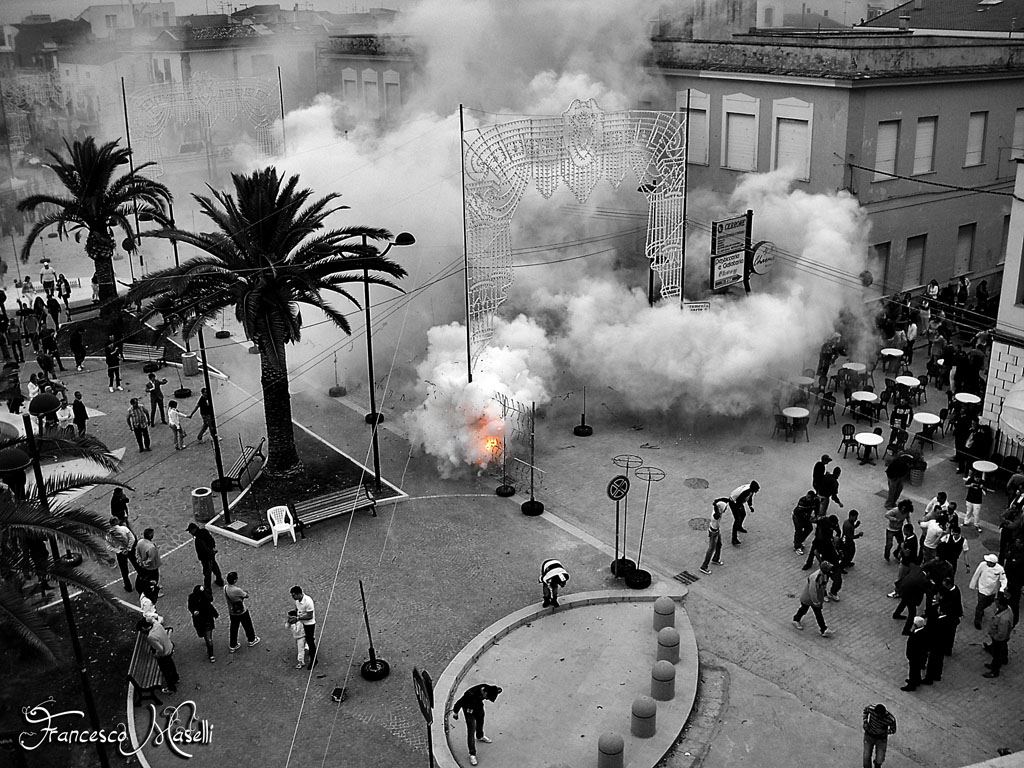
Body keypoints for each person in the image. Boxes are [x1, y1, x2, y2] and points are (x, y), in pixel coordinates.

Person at [923, 576, 963, 684]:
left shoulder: (953, 594)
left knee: (950, 635)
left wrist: (940, 605)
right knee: (948, 638)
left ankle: (948, 649)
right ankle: (947, 649)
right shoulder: (951, 590)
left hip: (949, 622)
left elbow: (952, 606)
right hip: (948, 622)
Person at [451, 683, 502, 766]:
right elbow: (460, 702)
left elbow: (496, 690)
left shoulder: (487, 688)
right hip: (469, 710)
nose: (486, 699)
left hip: (478, 708)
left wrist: (498, 690)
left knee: (480, 721)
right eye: (487, 697)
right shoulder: (469, 694)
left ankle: (480, 736)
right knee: (471, 730)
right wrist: (455, 712)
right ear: (485, 693)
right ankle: (472, 754)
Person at [792, 561, 834, 637]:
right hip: (809, 598)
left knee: (805, 609)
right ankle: (823, 629)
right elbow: (813, 591)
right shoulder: (815, 578)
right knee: (814, 612)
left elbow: (822, 586)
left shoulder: (823, 575)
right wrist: (816, 602)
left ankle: (796, 619)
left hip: (815, 597)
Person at [223, 571, 261, 653]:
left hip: (232, 611)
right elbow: (245, 595)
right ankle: (251, 639)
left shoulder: (226, 588)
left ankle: (233, 644)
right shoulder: (237, 590)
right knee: (247, 625)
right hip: (242, 611)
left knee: (234, 628)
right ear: (235, 580)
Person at [138, 617, 178, 694]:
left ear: (143, 628)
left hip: (164, 654)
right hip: (169, 647)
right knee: (171, 664)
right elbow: (151, 619)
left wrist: (156, 655)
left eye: (141, 630)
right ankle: (176, 678)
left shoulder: (151, 637)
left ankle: (171, 687)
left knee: (166, 671)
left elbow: (160, 649)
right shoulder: (156, 625)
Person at [969, 553, 1008, 630]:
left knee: (989, 602)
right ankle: (977, 621)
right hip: (982, 590)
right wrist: (972, 585)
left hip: (992, 591)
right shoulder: (982, 565)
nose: (987, 562)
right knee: (980, 606)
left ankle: (982, 609)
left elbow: (1003, 579)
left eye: (988, 562)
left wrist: (1002, 589)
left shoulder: (1000, 569)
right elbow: (976, 574)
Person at [893, 561, 930, 636]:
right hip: (910, 595)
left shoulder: (916, 569)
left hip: (902, 589)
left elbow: (911, 564)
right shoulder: (923, 580)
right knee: (912, 613)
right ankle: (906, 630)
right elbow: (927, 590)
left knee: (903, 602)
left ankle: (896, 614)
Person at [983, 596, 1014, 678]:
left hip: (999, 638)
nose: (996, 603)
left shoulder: (1003, 619)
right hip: (1003, 637)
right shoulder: (1007, 609)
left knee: (996, 654)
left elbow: (1002, 632)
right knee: (1003, 648)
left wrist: (995, 638)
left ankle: (994, 671)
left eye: (997, 602)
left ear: (1001, 605)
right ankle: (1004, 659)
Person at [187, 522, 223, 591]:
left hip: (206, 558)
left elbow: (204, 549)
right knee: (214, 567)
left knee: (207, 572)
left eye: (190, 531)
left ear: (194, 530)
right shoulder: (204, 531)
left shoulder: (198, 539)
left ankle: (208, 588)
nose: (190, 533)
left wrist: (210, 552)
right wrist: (213, 549)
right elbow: (211, 540)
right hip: (211, 554)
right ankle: (219, 580)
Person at [106, 517, 138, 592]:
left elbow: (109, 547)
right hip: (129, 551)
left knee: (124, 570)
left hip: (120, 553)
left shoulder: (108, 535)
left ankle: (128, 586)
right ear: (116, 522)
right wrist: (128, 548)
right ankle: (142, 580)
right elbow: (132, 539)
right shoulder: (124, 529)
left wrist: (118, 551)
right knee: (136, 564)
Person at [289, 586, 317, 668]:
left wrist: (297, 618)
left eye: (294, 595)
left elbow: (310, 616)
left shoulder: (308, 601)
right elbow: (297, 610)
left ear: (299, 594)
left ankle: (314, 660)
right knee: (305, 639)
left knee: (310, 640)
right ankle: (307, 650)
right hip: (301, 623)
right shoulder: (297, 601)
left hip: (309, 624)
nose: (293, 597)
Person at [188, 585, 219, 662]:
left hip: (207, 619)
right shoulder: (192, 597)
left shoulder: (206, 597)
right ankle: (205, 638)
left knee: (209, 638)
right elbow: (190, 606)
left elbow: (210, 600)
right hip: (198, 620)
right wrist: (193, 611)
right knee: (201, 634)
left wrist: (204, 591)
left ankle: (211, 654)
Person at [862, 703, 897, 768]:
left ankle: (877, 766)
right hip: (869, 735)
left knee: (880, 758)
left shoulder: (890, 719)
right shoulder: (871, 709)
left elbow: (893, 730)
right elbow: (865, 711)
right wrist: (865, 722)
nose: (877, 717)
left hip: (881, 739)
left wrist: (885, 732)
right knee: (866, 756)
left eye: (879, 716)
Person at [901, 616, 930, 692]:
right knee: (916, 670)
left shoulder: (918, 635)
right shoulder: (923, 630)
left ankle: (912, 685)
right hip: (919, 655)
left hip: (915, 656)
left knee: (913, 671)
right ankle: (917, 680)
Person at [728, 480, 759, 546]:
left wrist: (750, 506)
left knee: (743, 514)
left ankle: (739, 526)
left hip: (738, 501)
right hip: (734, 502)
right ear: (753, 489)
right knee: (737, 519)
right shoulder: (746, 491)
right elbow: (739, 501)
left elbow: (749, 498)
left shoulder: (750, 490)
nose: (757, 491)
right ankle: (734, 539)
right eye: (756, 490)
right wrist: (739, 508)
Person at [792, 490, 818, 555]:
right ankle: (797, 547)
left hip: (806, 516)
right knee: (799, 530)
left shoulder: (815, 501)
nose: (807, 498)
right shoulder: (802, 501)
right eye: (807, 496)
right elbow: (801, 512)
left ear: (813, 498)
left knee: (809, 528)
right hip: (798, 517)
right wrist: (810, 518)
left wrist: (816, 517)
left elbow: (817, 509)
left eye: (809, 497)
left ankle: (799, 542)